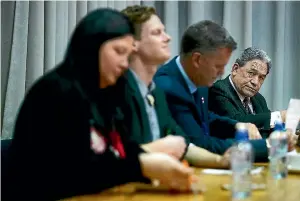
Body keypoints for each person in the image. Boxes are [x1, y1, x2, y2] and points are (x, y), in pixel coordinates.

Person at [2, 8, 194, 201]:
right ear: (93, 47)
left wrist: (149, 161)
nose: (124, 64)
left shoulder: (107, 93)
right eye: (118, 52)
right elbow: (75, 171)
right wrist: (143, 166)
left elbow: (120, 151)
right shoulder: (56, 91)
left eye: (127, 56)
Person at [154, 20, 297, 162]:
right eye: (218, 66)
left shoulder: (198, 76)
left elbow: (205, 117)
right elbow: (198, 143)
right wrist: (267, 146)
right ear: (197, 60)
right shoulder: (169, 87)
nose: (222, 73)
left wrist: (237, 125)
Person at [120, 5, 231, 169]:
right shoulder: (118, 91)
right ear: (133, 43)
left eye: (164, 31)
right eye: (157, 33)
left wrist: (220, 161)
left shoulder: (155, 92)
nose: (168, 38)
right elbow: (114, 158)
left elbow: (184, 145)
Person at [208, 47, 300, 145]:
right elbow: (238, 122)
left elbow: (268, 131)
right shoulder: (219, 90)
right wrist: (284, 115)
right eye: (251, 73)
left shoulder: (258, 98)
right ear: (235, 69)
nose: (255, 82)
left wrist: (298, 138)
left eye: (261, 78)